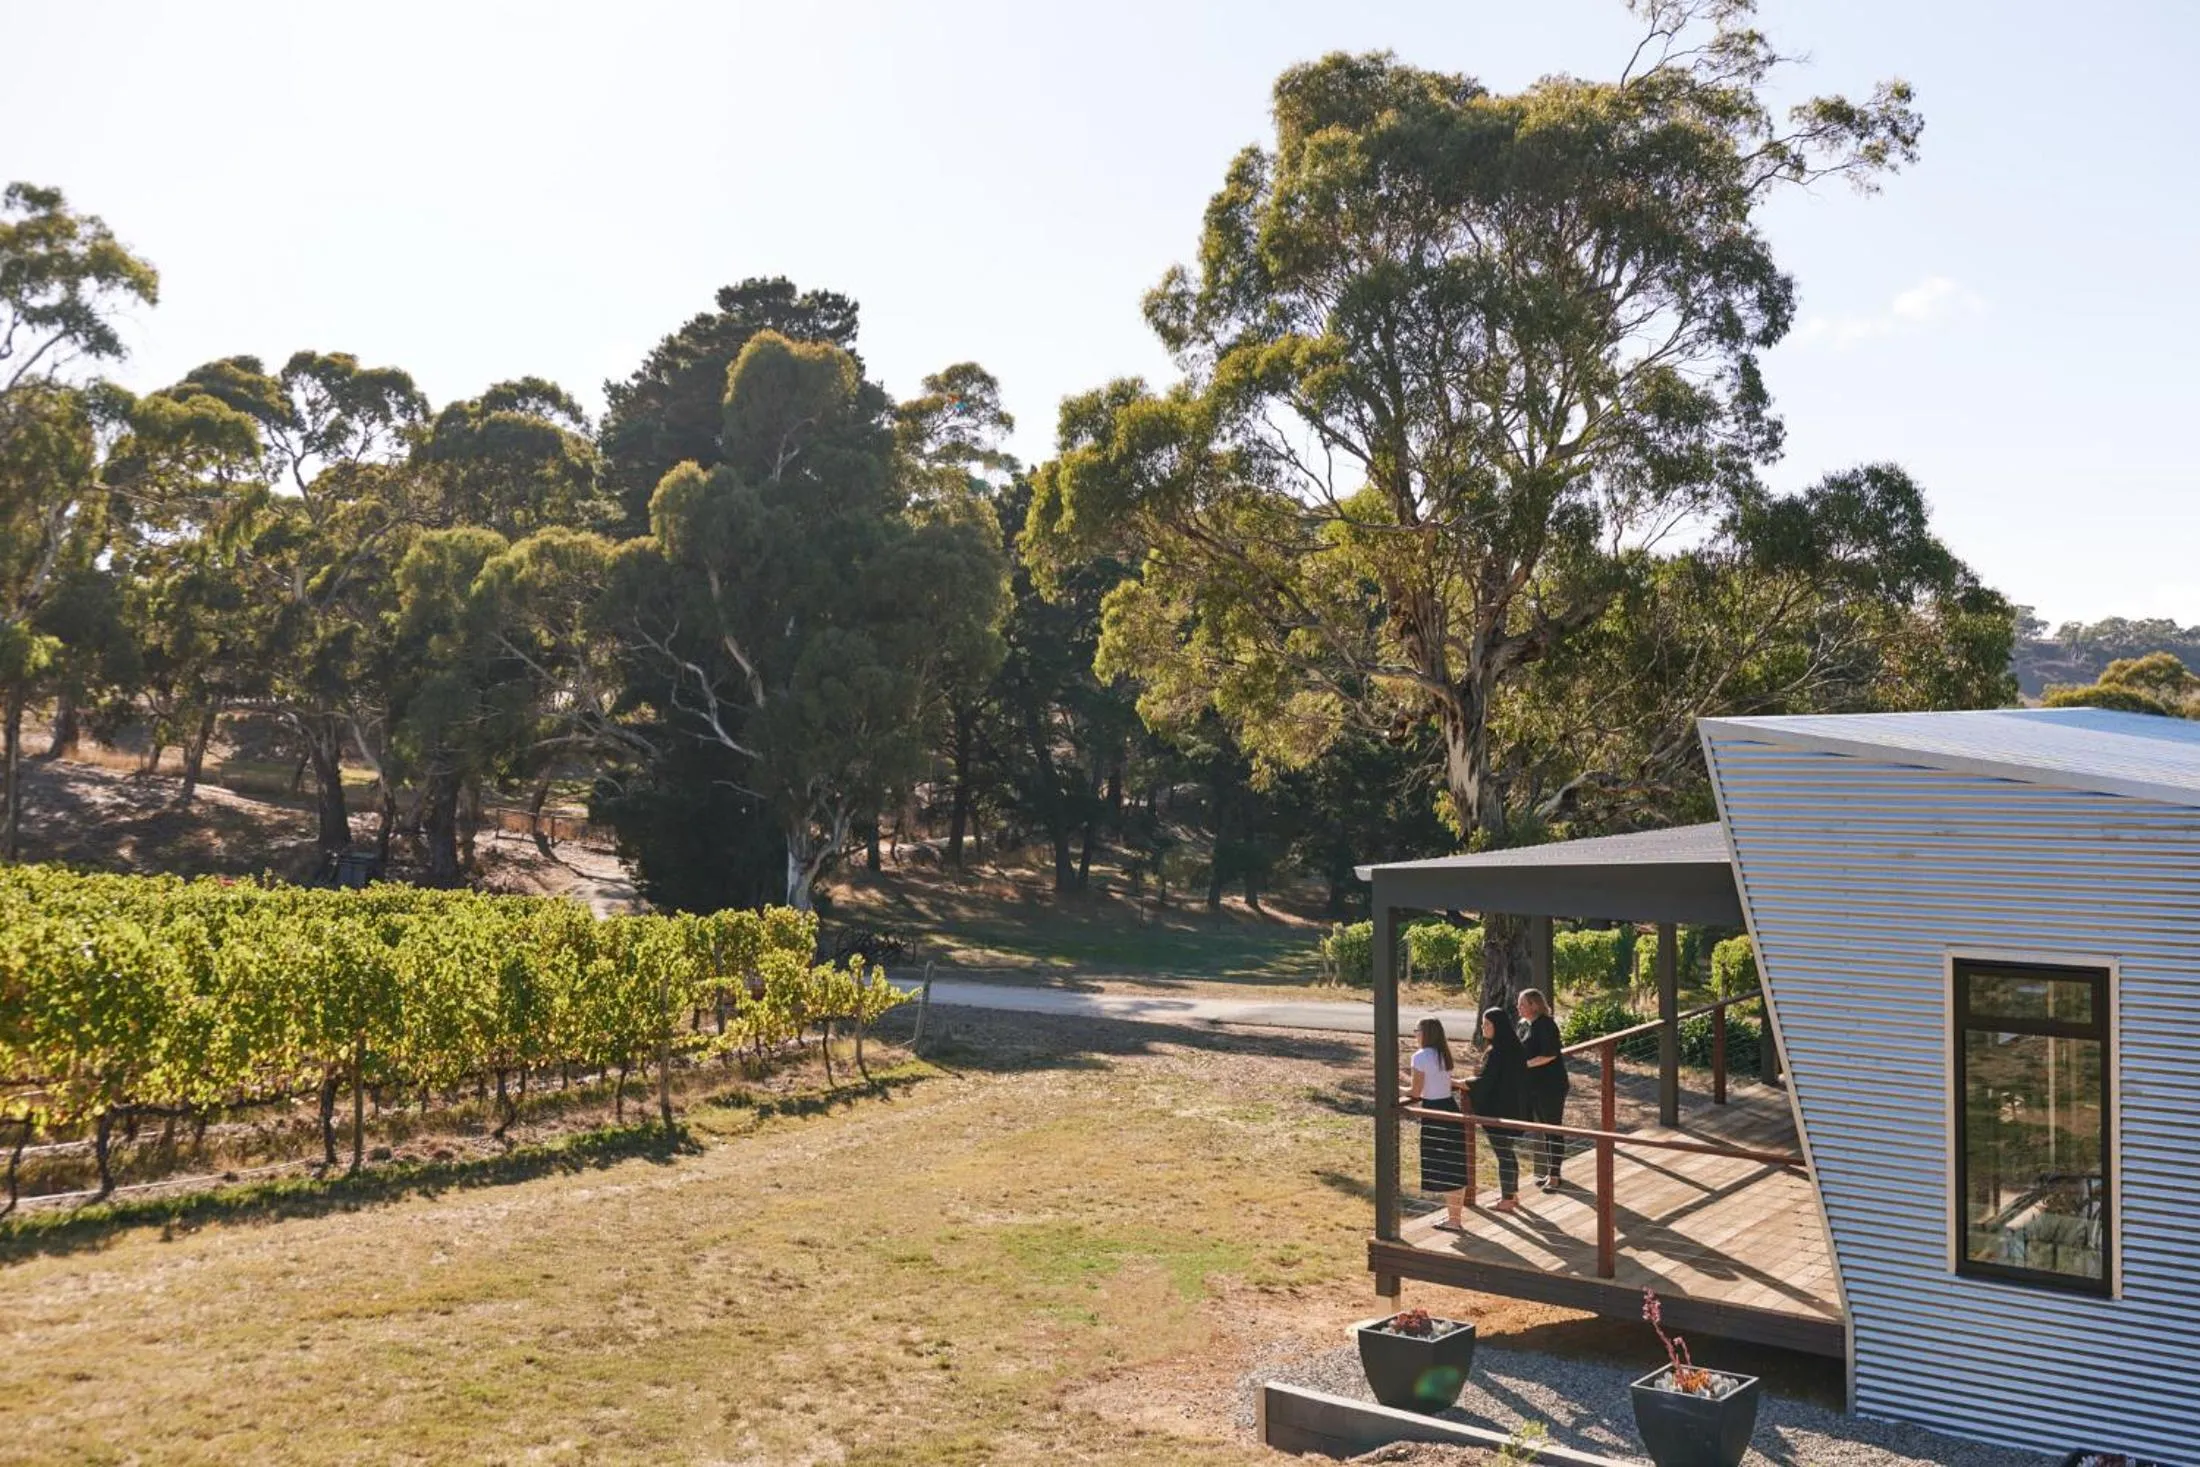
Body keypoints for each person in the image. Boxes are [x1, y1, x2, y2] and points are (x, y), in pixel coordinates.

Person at [1404, 1016, 1466, 1230]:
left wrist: (1395, 1086)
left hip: (1434, 1112)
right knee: (1455, 1164)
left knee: (1443, 1164)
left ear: (1424, 1033)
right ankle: (1455, 1218)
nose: (1415, 1034)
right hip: (1450, 1108)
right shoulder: (1443, 1054)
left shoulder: (1419, 1057)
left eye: (1417, 1030)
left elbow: (1415, 1091)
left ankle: (1454, 1221)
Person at [1467, 1004, 1529, 1212]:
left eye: (1487, 1024)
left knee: (1503, 1153)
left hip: (1498, 1112)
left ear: (1497, 1026)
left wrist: (1462, 1083)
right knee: (1508, 1152)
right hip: (1514, 1108)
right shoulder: (1515, 1047)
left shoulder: (1496, 1052)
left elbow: (1486, 1082)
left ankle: (1507, 1199)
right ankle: (1512, 1194)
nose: (1483, 1028)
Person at [1517, 988, 1569, 1191]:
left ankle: (1555, 1176)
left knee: (1553, 1129)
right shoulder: (1522, 1025)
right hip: (1533, 1086)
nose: (1518, 1007)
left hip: (1551, 1086)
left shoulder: (1546, 1025)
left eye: (1522, 1004)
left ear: (1534, 1005)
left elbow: (1549, 1054)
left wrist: (1525, 1065)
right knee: (1544, 1130)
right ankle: (1549, 1172)